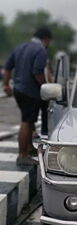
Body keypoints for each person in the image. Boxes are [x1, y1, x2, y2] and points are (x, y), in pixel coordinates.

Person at [2, 27, 52, 166]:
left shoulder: (20, 47)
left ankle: (29, 148)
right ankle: (22, 155)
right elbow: (37, 72)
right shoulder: (41, 50)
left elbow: (7, 67)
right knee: (26, 121)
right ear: (46, 39)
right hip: (30, 91)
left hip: (18, 89)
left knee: (30, 120)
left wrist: (6, 85)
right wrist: (45, 87)